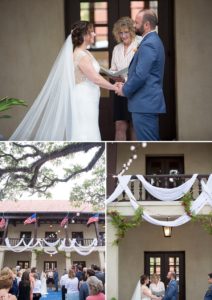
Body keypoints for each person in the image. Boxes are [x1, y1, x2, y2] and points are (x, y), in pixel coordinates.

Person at [10, 21, 117, 141]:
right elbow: (95, 78)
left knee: (89, 127)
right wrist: (114, 87)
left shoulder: (85, 53)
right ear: (84, 35)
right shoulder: (81, 56)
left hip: (89, 97)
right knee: (85, 129)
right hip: (84, 98)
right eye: (91, 31)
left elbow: (96, 74)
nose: (94, 34)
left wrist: (113, 78)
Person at [116, 9, 166, 141]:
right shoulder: (152, 41)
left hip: (145, 103)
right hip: (146, 103)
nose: (134, 26)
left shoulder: (149, 44)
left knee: (148, 141)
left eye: (137, 23)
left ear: (147, 25)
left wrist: (125, 90)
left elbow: (140, 75)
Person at [111, 17, 142, 141]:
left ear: (132, 31)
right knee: (119, 126)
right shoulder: (116, 49)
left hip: (136, 90)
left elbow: (142, 69)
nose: (123, 36)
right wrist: (113, 75)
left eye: (126, 32)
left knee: (135, 126)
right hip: (120, 91)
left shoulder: (140, 43)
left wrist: (127, 80)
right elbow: (113, 69)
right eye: (120, 33)